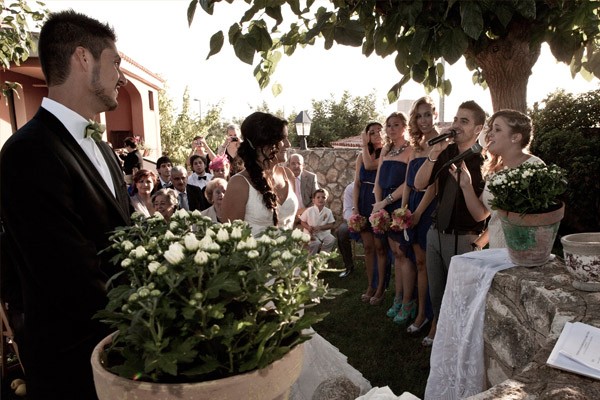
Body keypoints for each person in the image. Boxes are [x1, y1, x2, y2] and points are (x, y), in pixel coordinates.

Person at [0, 10, 130, 399]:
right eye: (115, 62)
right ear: (82, 58)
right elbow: (65, 273)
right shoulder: (28, 152)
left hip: (122, 351)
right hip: (71, 363)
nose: (120, 77)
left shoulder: (104, 150)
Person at [413, 100, 487, 347]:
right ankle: (437, 325)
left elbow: (485, 210)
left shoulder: (483, 160)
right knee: (436, 290)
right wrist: (434, 153)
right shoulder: (444, 152)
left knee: (462, 296)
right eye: (456, 119)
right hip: (435, 231)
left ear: (478, 129)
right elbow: (419, 184)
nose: (456, 125)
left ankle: (459, 341)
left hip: (465, 237)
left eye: (464, 121)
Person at [454, 109, 544, 249]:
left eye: (497, 129)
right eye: (490, 129)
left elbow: (541, 217)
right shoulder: (495, 170)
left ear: (515, 137)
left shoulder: (534, 167)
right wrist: (466, 185)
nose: (489, 134)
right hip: (496, 252)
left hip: (526, 252)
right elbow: (480, 214)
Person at [220, 112, 297, 236]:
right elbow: (229, 237)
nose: (288, 144)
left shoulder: (287, 175)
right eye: (282, 139)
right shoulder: (239, 184)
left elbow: (292, 222)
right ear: (262, 143)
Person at [400, 97, 438, 340]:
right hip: (412, 208)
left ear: (435, 114)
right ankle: (421, 312)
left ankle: (431, 317)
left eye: (427, 114)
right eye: (419, 116)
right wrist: (403, 211)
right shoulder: (416, 146)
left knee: (430, 265)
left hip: (428, 208)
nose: (423, 120)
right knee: (419, 262)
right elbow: (407, 182)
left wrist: (418, 214)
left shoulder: (441, 143)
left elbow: (434, 185)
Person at [371, 112, 414, 313]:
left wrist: (388, 202)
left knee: (403, 253)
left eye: (396, 125)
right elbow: (378, 179)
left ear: (404, 127)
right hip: (384, 205)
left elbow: (408, 182)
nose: (391, 129)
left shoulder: (411, 150)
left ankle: (407, 302)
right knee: (394, 253)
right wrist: (378, 204)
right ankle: (397, 297)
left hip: (400, 203)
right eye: (388, 125)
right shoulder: (386, 150)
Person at [353, 122, 390, 303]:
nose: (376, 134)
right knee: (368, 248)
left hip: (377, 200)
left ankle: (381, 287)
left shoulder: (386, 153)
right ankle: (370, 284)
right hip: (363, 200)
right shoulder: (361, 156)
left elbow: (369, 166)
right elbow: (357, 183)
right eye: (371, 132)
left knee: (380, 247)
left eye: (378, 131)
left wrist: (362, 143)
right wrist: (355, 208)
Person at [300, 188, 336, 255]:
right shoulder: (309, 211)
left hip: (323, 232)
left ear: (326, 200)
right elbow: (302, 221)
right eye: (318, 197)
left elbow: (331, 224)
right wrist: (308, 227)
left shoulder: (328, 211)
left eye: (323, 197)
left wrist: (321, 228)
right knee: (315, 243)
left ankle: (323, 256)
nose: (321, 199)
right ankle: (311, 258)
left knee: (331, 239)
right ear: (313, 200)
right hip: (310, 232)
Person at [336, 181, 355, 277]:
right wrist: (355, 220)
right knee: (341, 232)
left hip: (372, 219)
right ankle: (348, 266)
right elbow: (347, 210)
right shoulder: (350, 188)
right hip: (353, 220)